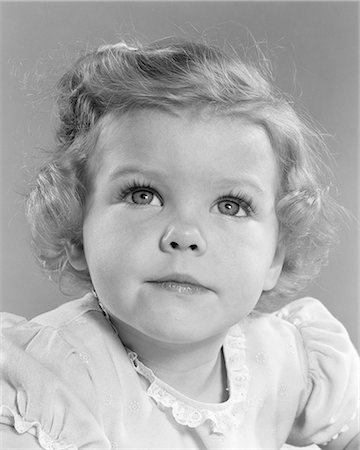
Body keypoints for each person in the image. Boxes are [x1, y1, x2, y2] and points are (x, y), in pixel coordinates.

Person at [1, 38, 359, 450]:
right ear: (77, 229)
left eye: (231, 205)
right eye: (143, 195)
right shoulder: (51, 379)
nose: (185, 236)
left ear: (275, 257)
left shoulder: (289, 359)